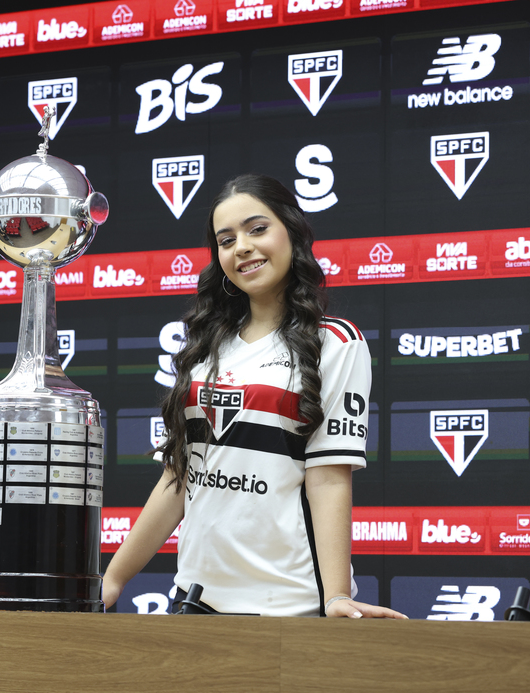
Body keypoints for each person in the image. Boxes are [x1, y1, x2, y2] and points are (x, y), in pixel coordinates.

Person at [102, 175, 406, 619]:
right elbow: (179, 477)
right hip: (194, 602)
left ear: (292, 232)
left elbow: (328, 478)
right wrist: (113, 579)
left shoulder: (335, 342)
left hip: (290, 607)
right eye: (226, 240)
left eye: (257, 229)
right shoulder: (206, 346)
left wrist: (337, 596)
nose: (242, 247)